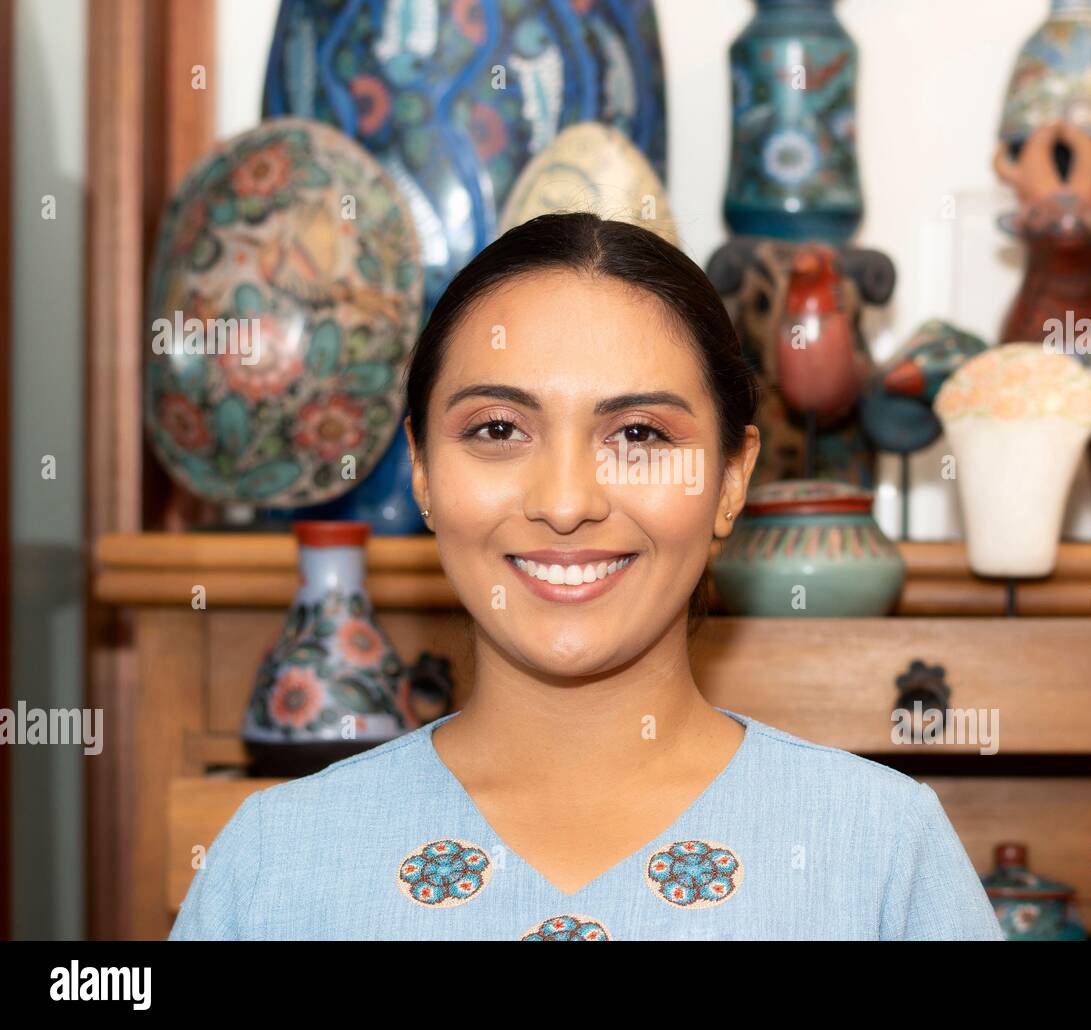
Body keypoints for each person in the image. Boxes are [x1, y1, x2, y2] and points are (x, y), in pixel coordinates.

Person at [170, 211, 1004, 941]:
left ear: (731, 481)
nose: (565, 502)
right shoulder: (275, 867)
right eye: (498, 428)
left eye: (639, 435)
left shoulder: (883, 857)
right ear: (421, 471)